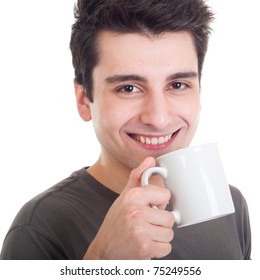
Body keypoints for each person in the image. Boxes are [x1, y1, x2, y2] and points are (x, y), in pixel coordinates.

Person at [0, 0, 251, 260]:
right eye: (128, 88)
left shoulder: (231, 204)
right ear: (84, 100)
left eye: (177, 85)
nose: (159, 118)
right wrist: (102, 263)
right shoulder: (39, 228)